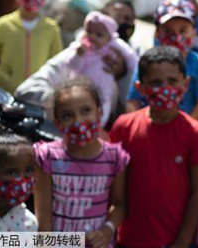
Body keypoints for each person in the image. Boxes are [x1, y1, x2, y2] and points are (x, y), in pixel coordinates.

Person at [110, 46, 198, 248]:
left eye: (172, 81)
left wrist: (183, 241)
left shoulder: (194, 132)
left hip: (175, 241)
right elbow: (116, 190)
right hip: (130, 239)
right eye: (156, 83)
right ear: (140, 88)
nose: (164, 88)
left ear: (186, 85)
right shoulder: (124, 127)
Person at [15, 0, 138, 127]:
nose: (121, 22)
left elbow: (136, 111)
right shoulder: (77, 53)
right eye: (116, 17)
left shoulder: (132, 63)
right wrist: (67, 101)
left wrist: (122, 74)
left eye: (127, 19)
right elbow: (26, 90)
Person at [33, 79, 128, 244]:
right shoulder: (47, 156)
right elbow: (43, 218)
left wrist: (107, 231)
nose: (78, 121)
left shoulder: (115, 157)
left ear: (99, 113)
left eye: (86, 111)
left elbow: (120, 205)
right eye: (68, 115)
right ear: (57, 123)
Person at [127, 0, 198, 120]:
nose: (176, 37)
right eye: (168, 31)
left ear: (193, 33)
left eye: (183, 31)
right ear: (157, 33)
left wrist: (188, 128)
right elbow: (133, 101)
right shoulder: (145, 61)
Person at [65, 11, 138, 128]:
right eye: (89, 32)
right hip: (81, 85)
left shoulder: (115, 45)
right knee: (77, 104)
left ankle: (98, 126)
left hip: (104, 86)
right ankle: (76, 126)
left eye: (99, 35)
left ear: (109, 36)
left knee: (104, 105)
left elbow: (131, 56)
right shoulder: (80, 46)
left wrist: (135, 70)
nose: (92, 37)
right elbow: (71, 66)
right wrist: (78, 55)